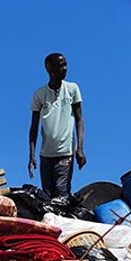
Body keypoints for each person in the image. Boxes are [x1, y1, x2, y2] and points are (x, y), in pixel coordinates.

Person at [27, 52, 85, 199]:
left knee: (61, 194)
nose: (65, 68)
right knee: (47, 197)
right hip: (45, 155)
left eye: (65, 65)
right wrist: (32, 155)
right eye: (61, 66)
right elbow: (33, 127)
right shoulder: (39, 95)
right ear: (51, 71)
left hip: (65, 153)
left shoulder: (72, 89)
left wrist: (80, 148)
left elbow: (79, 120)